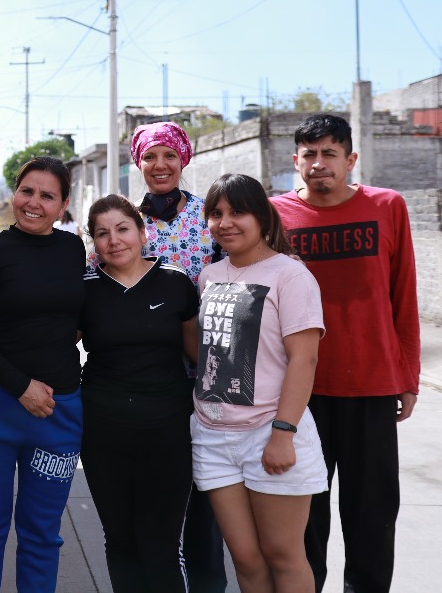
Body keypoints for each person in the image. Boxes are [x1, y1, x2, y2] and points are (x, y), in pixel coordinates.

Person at [270, 114, 419, 593]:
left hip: (371, 385)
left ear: (350, 159)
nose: (319, 164)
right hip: (299, 392)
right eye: (309, 155)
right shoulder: (275, 215)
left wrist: (408, 375)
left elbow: (403, 294)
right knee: (304, 518)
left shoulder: (387, 206)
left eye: (329, 153)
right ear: (296, 161)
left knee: (372, 517)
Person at [89, 120, 227, 592]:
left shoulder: (210, 218)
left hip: (205, 382)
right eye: (150, 157)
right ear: (138, 163)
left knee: (202, 518)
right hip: (135, 388)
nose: (160, 165)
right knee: (134, 530)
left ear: (183, 159)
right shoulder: (127, 218)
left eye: (169, 155)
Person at [0, 156, 85, 592]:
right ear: (15, 193)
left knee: (42, 535)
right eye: (27, 191)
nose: (34, 203)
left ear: (64, 205)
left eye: (48, 196)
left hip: (57, 416)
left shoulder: (74, 249)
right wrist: (20, 385)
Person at [194, 174, 327, 593]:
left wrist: (283, 433)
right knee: (247, 561)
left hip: (270, 431)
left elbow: (304, 358)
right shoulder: (209, 276)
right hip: (213, 437)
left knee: (283, 556)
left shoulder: (291, 275)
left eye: (238, 212)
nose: (226, 222)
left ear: (263, 218)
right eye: (216, 214)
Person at [79, 194, 200, 592]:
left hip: (166, 430)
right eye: (102, 233)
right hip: (104, 432)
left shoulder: (175, 281)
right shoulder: (85, 291)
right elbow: (57, 346)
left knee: (161, 543)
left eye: (123, 229)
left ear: (142, 231)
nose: (114, 241)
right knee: (121, 540)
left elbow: (197, 353)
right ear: (93, 242)